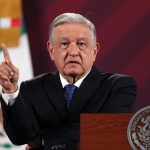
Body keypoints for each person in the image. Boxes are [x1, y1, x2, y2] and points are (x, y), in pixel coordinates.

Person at [0, 13, 137, 150]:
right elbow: (20, 136)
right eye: (64, 44)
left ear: (94, 51)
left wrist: (43, 140)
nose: (73, 52)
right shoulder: (32, 88)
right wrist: (11, 91)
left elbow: (106, 134)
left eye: (81, 44)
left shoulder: (119, 86)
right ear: (51, 50)